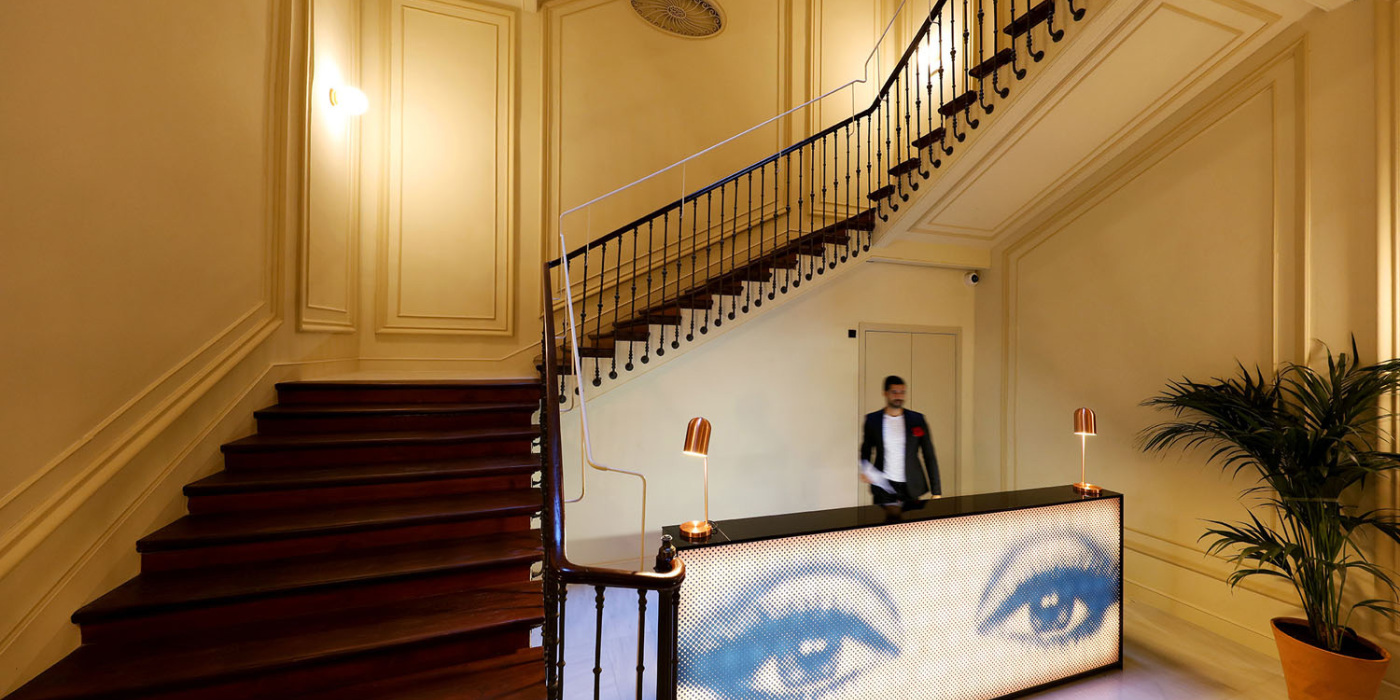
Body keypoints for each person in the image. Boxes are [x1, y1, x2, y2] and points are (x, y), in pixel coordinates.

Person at [860, 375, 941, 510]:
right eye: (894, 392)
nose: (899, 396)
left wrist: (936, 491)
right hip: (883, 485)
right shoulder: (872, 420)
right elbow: (866, 449)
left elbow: (929, 455)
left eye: (902, 392)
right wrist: (866, 469)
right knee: (883, 527)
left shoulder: (917, 420)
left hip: (911, 485)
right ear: (885, 393)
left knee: (910, 528)